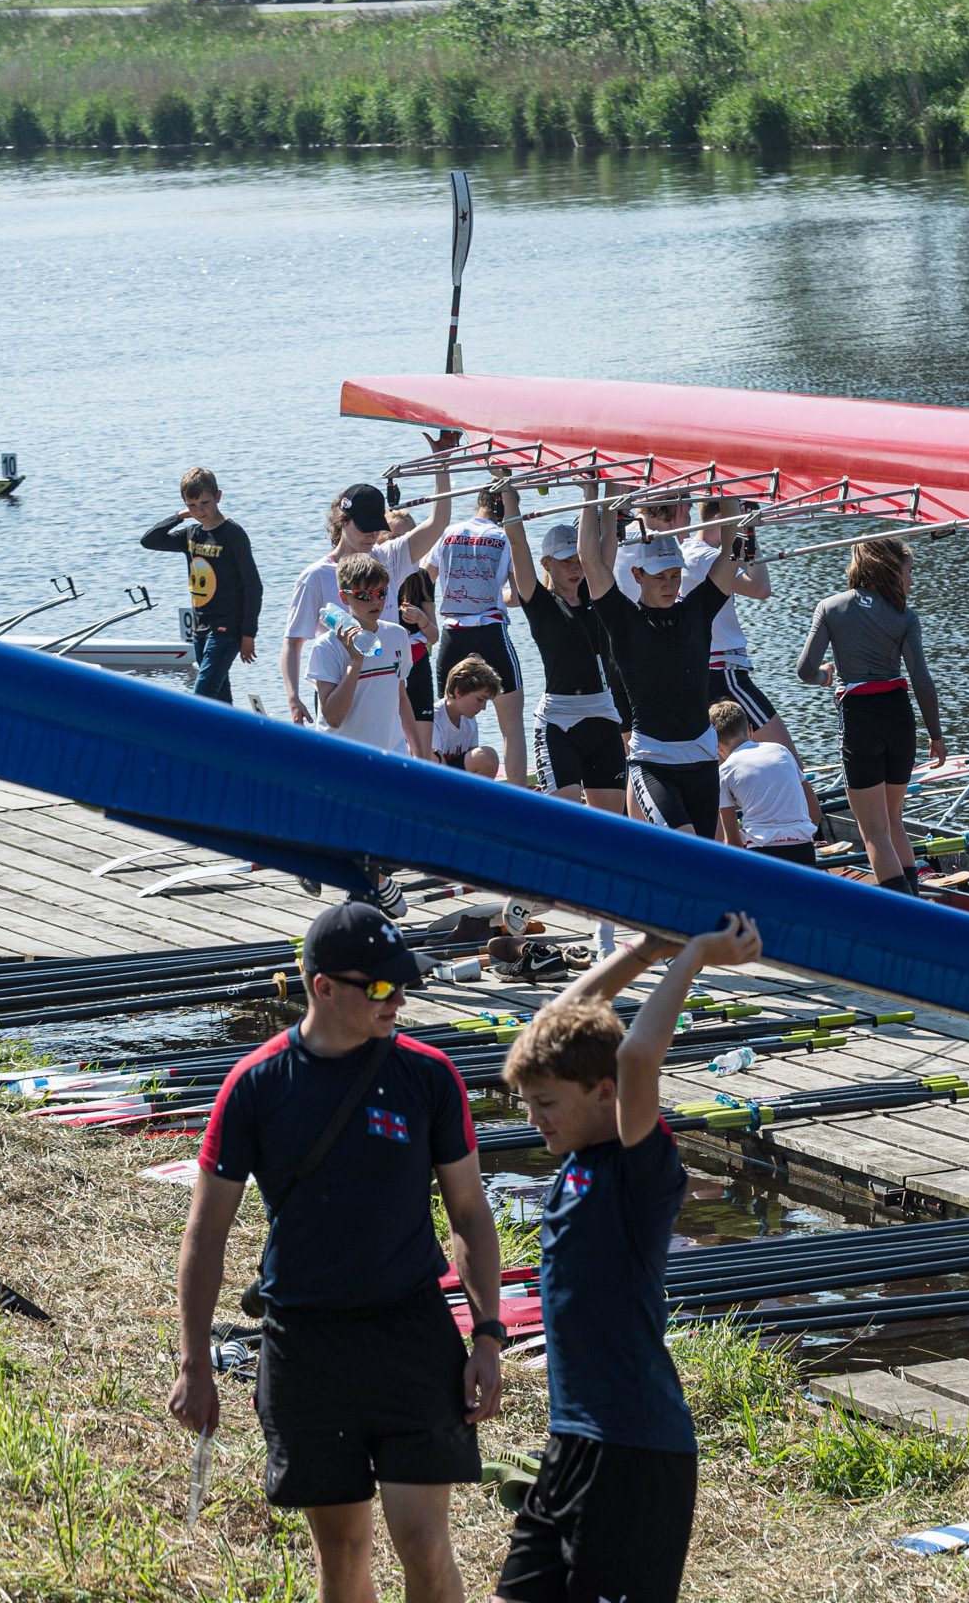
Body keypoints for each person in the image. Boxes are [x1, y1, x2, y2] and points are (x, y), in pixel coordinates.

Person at [170, 901, 504, 1603]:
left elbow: (470, 1215)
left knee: (421, 1538)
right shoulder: (256, 1085)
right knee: (344, 1552)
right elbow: (207, 1233)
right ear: (323, 987)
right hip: (307, 1344)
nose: (399, 1000)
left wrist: (488, 1337)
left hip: (411, 1334)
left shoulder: (428, 1075)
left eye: (403, 983)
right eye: (380, 987)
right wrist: (195, 1363)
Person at [489, 914, 762, 1603]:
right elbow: (553, 1024)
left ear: (602, 1095)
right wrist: (644, 950)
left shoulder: (638, 1167)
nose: (534, 1120)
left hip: (635, 1452)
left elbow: (638, 1056)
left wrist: (696, 954)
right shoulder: (579, 1153)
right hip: (572, 1441)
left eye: (546, 1104)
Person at [579, 494, 750, 839]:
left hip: (702, 759)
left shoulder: (696, 611)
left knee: (706, 856)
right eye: (660, 577)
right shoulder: (623, 619)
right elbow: (590, 560)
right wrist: (596, 493)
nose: (670, 584)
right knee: (684, 845)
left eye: (675, 575)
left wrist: (728, 495)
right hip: (653, 763)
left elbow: (734, 553)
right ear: (637, 574)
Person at [796, 538, 944, 895]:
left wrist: (826, 677)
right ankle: (916, 907)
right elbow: (922, 680)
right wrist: (936, 735)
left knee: (874, 831)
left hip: (860, 718)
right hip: (900, 717)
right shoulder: (905, 616)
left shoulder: (830, 608)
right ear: (889, 571)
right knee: (893, 821)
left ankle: (903, 918)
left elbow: (804, 670)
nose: (912, 581)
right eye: (909, 572)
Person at [282, 437, 457, 726]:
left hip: (386, 693)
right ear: (342, 521)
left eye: (377, 528)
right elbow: (293, 643)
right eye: (364, 528)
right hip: (338, 693)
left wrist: (442, 462)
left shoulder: (389, 557)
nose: (371, 535)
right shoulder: (314, 577)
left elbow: (438, 523)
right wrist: (293, 697)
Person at [686, 495, 824, 832]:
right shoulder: (703, 556)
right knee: (790, 764)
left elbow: (743, 569)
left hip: (708, 671)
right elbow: (761, 587)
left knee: (719, 773)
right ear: (723, 516)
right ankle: (810, 833)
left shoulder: (692, 551)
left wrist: (744, 534)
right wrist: (750, 532)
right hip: (725, 675)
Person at [508, 516, 627, 813]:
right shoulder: (539, 603)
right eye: (565, 561)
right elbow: (517, 542)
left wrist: (597, 488)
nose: (575, 568)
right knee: (565, 823)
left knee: (610, 828)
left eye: (578, 560)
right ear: (546, 563)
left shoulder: (598, 591)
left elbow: (607, 539)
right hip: (559, 722)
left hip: (604, 717)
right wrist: (509, 496)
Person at [428, 478, 529, 788]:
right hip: (490, 633)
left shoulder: (448, 533)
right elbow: (522, 593)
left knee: (447, 719)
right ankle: (518, 797)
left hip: (452, 634)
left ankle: (443, 785)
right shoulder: (505, 537)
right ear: (506, 507)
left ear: (480, 501)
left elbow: (423, 581)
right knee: (511, 726)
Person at [142, 468, 263, 705]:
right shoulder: (191, 534)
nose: (200, 510)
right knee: (219, 701)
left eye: (205, 503)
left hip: (227, 630)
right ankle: (232, 740)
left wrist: (249, 633)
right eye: (192, 505)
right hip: (200, 630)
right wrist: (179, 516)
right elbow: (149, 540)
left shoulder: (233, 534)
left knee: (201, 699)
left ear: (218, 496)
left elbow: (253, 586)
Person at [306, 554, 418, 758]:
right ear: (343, 597)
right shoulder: (326, 646)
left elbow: (401, 698)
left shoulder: (397, 635)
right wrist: (355, 661)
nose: (375, 601)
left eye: (381, 592)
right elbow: (333, 718)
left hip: (392, 755)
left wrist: (420, 755)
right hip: (344, 758)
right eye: (364, 595)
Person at [713, 701, 817, 867]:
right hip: (803, 849)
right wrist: (801, 837)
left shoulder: (723, 772)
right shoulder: (781, 751)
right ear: (750, 731)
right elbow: (815, 810)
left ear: (716, 746)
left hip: (761, 853)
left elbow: (732, 842)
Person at [433, 656, 504, 780]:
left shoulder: (469, 720)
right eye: (480, 700)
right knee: (486, 756)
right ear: (459, 692)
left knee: (488, 758)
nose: (483, 708)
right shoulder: (432, 719)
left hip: (449, 777)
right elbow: (435, 771)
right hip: (428, 780)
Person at [397, 566, 440, 762]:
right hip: (392, 667)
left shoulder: (420, 575)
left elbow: (434, 636)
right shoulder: (376, 570)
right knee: (393, 747)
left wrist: (422, 619)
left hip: (418, 663)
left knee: (422, 755)